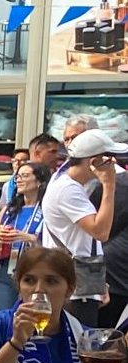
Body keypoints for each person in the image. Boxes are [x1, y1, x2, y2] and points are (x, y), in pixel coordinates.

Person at [39, 128, 122, 325]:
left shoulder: (63, 180)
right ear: (94, 162)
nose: (113, 164)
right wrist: (109, 186)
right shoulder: (68, 189)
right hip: (74, 287)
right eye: (108, 158)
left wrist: (98, 281)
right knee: (80, 340)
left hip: (77, 279)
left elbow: (83, 240)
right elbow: (100, 232)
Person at [0, 160, 49, 309]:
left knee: (31, 316)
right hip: (5, 270)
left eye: (25, 176)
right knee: (4, 316)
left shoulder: (48, 209)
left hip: (34, 270)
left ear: (39, 181)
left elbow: (55, 245)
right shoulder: (10, 208)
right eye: (17, 176)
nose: (19, 180)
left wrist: (30, 238)